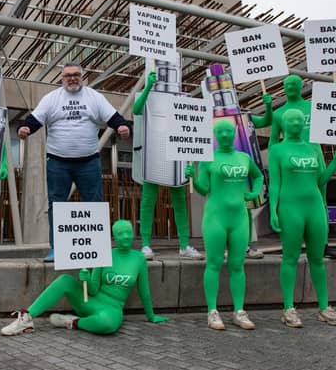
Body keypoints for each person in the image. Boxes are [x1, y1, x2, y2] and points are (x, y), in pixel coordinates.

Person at [17, 62, 132, 262]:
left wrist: (122, 126)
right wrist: (25, 128)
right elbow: (35, 119)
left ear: (82, 76)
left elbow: (113, 117)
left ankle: (96, 247)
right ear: (62, 78)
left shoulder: (94, 97)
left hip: (88, 162)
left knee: (94, 204)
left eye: (76, 74)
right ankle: (56, 249)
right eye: (68, 75)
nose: (72, 78)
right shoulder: (52, 98)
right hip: (57, 163)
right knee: (56, 205)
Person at [0, 219, 168, 335]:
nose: (125, 237)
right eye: (121, 233)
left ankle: (73, 322)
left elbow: (144, 291)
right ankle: (27, 317)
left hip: (111, 308)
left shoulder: (138, 258)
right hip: (90, 301)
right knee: (65, 280)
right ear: (114, 237)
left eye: (128, 233)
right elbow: (93, 290)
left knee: (107, 325)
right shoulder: (105, 253)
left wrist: (151, 316)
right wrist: (85, 278)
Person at [186, 120, 263, 331]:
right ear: (215, 135)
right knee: (214, 263)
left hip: (239, 218)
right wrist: (192, 176)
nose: (226, 135)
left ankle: (239, 311)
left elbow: (258, 176)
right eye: (221, 132)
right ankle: (212, 311)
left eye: (229, 131)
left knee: (238, 265)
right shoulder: (208, 159)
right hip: (215, 218)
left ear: (235, 133)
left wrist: (255, 192)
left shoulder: (244, 157)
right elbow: (203, 190)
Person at [268, 109, 336, 327]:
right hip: (290, 208)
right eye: (291, 120)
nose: (296, 123)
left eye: (299, 120)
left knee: (318, 259)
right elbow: (275, 183)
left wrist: (334, 163)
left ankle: (325, 307)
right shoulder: (277, 150)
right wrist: (273, 210)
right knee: (290, 257)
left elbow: (321, 179)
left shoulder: (314, 147)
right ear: (284, 124)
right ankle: (288, 308)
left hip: (314, 207)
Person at [133, 70, 202, 260]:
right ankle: (145, 244)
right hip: (153, 153)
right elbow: (136, 110)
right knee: (147, 202)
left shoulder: (182, 98)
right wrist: (147, 86)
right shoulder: (150, 95)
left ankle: (184, 244)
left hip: (175, 155)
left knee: (180, 203)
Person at [269, 74, 336, 259]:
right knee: (289, 200)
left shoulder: (314, 108)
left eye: (294, 84)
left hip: (314, 156)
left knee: (320, 200)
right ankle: (292, 241)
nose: (290, 87)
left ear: (302, 86)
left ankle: (322, 244)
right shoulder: (278, 114)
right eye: (286, 84)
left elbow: (329, 123)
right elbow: (274, 140)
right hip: (290, 161)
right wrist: (275, 159)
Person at [244, 93, 273, 259]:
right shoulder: (209, 117)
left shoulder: (243, 117)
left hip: (244, 167)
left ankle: (247, 245)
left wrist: (268, 106)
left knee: (246, 209)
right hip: (218, 170)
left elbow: (265, 121)